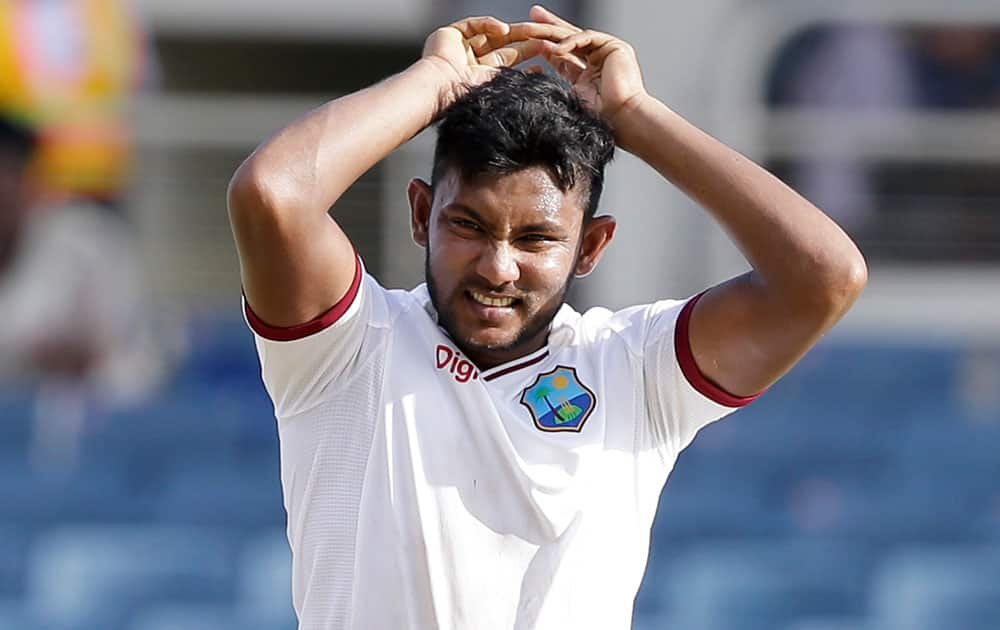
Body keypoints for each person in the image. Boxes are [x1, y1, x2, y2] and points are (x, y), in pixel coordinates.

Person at [228, 6, 868, 629]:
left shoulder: (634, 369)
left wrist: (634, 116)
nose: (498, 267)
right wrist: (435, 84)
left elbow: (824, 277)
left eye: (536, 239)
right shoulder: (350, 350)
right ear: (421, 215)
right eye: (468, 226)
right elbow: (272, 195)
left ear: (591, 246)